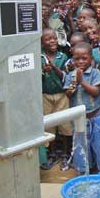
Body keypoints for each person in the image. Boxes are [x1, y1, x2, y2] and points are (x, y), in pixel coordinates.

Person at [64, 42, 100, 173]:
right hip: (79, 120)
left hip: (95, 117)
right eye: (76, 59)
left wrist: (82, 82)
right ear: (72, 60)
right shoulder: (70, 75)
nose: (80, 61)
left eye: (84, 58)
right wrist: (71, 88)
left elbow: (96, 91)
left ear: (91, 59)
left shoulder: (95, 73)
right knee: (81, 145)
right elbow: (68, 94)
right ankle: (83, 169)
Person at [41, 28, 72, 170]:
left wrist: (53, 67)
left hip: (61, 95)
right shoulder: (39, 57)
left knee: (65, 125)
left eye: (54, 38)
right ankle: (52, 153)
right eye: (48, 39)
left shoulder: (62, 57)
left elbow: (64, 77)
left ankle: (65, 154)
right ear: (42, 42)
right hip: (45, 96)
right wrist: (43, 71)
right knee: (49, 126)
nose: (52, 41)